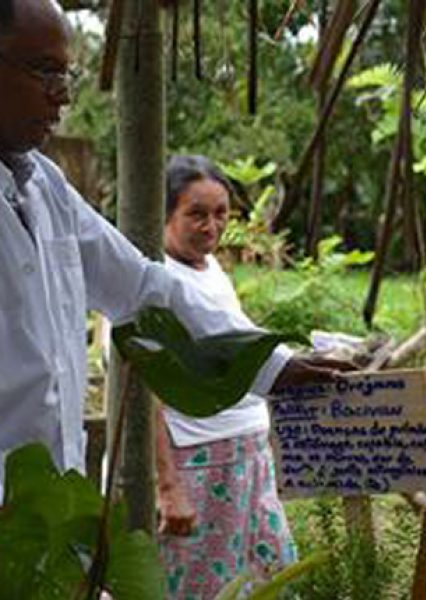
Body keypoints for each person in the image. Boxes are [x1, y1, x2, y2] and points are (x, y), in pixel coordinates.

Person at [0, 0, 337, 502]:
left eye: (67, 74)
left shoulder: (44, 187)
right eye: (44, 70)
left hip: (50, 516)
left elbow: (140, 287)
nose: (63, 95)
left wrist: (272, 366)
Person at [155, 155, 352, 598]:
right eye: (196, 214)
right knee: (201, 587)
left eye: (221, 213)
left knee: (269, 578)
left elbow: (237, 348)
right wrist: (167, 487)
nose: (212, 226)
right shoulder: (151, 281)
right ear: (165, 213)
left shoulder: (211, 269)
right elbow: (142, 395)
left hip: (247, 458)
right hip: (198, 466)